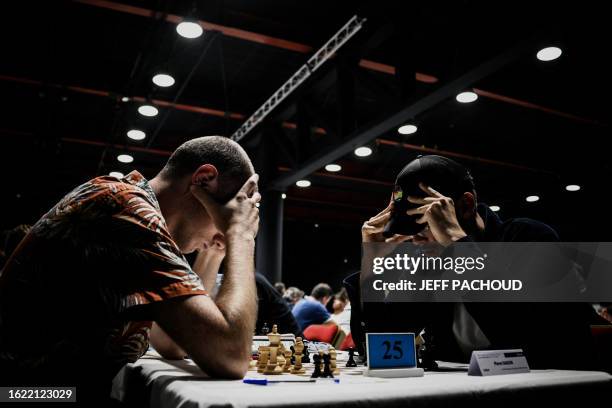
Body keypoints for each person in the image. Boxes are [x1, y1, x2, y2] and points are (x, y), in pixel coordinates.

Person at [0, 136, 261, 400]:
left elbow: (173, 343)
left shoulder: (132, 206)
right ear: (203, 180)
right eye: (230, 214)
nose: (223, 231)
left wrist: (214, 251)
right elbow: (230, 354)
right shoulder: (128, 212)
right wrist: (241, 234)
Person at [345, 155, 599, 369]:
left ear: (466, 205)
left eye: (427, 223)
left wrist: (456, 243)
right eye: (410, 229)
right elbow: (382, 344)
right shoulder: (428, 261)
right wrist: (372, 262)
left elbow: (523, 337)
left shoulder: (529, 238)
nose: (416, 239)